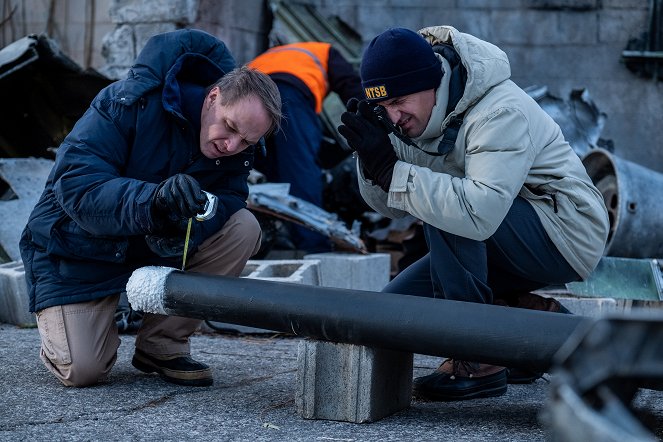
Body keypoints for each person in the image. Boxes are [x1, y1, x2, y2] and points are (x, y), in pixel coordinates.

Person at [338, 26, 609, 401]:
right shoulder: (406, 120)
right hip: (498, 231)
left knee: (450, 209)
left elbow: (476, 212)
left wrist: (393, 171)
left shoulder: (499, 109)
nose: (394, 116)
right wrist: (371, 162)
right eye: (382, 107)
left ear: (431, 82)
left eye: (399, 101)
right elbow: (389, 206)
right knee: (392, 312)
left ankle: (478, 358)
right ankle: (537, 332)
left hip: (566, 229)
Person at [19, 29, 282, 388]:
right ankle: (82, 321)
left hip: (145, 250)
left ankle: (162, 344)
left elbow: (228, 202)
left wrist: (182, 226)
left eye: (246, 141)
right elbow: (78, 186)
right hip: (75, 249)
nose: (231, 145)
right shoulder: (127, 102)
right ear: (213, 97)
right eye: (230, 127)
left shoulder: (237, 151)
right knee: (83, 370)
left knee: (243, 226)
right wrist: (154, 201)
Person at [248, 41, 363, 252]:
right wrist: (370, 118)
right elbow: (352, 86)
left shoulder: (274, 53)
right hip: (289, 92)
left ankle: (272, 238)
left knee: (270, 172)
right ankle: (314, 246)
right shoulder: (327, 50)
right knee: (301, 172)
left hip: (249, 94)